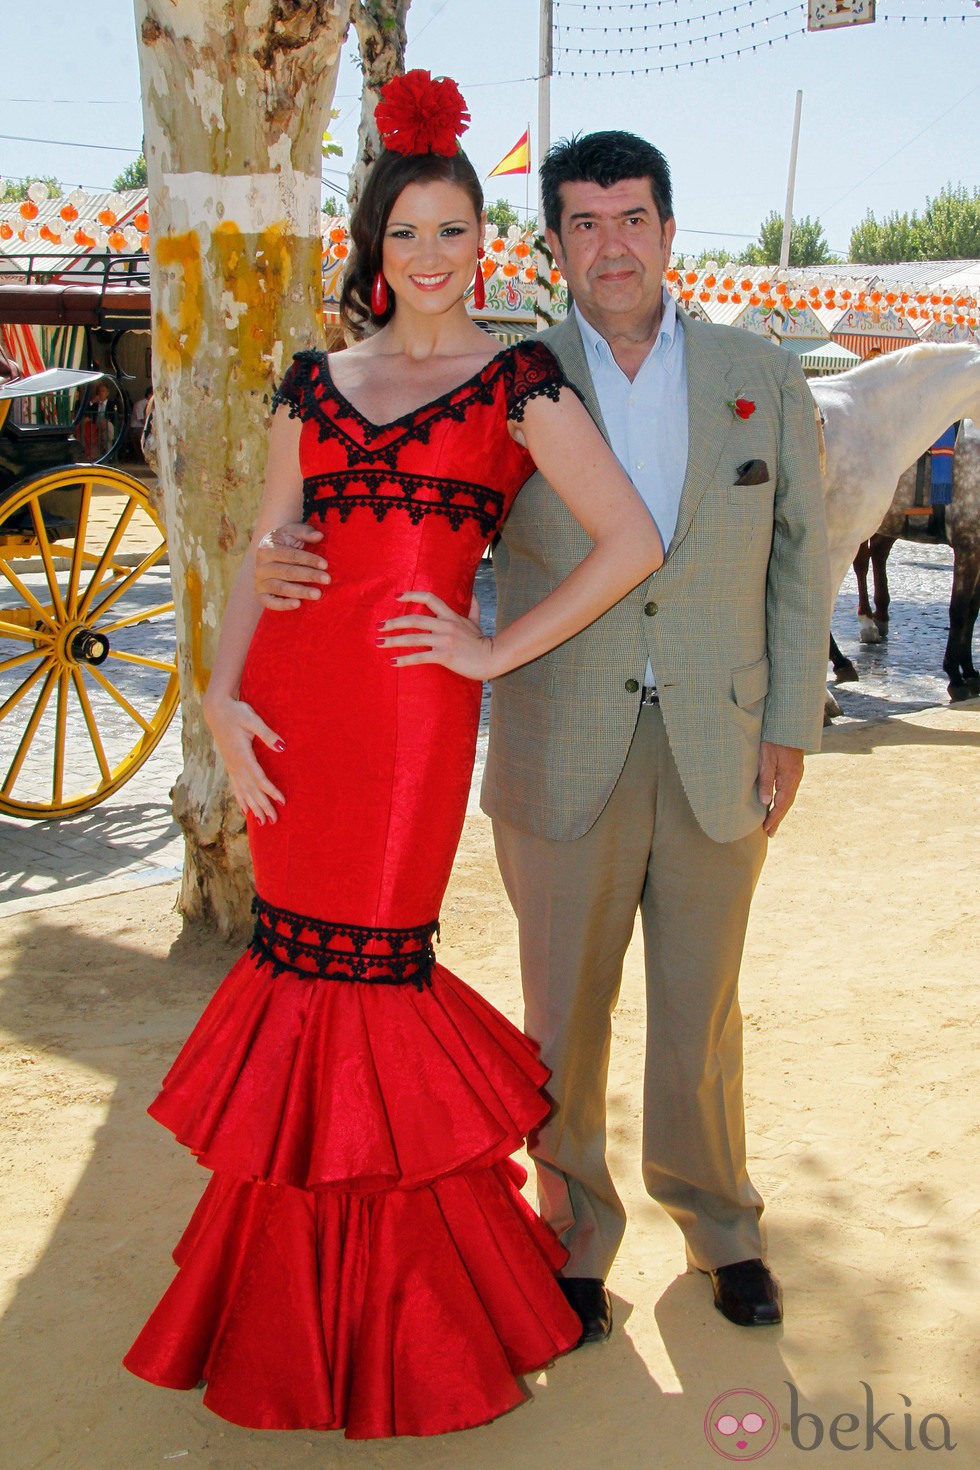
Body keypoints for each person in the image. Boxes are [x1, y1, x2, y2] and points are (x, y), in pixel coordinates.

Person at [123, 78, 663, 1439]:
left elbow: (632, 541)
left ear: (486, 243)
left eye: (455, 231)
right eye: (410, 232)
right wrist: (223, 696)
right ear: (376, 249)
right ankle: (287, 1319)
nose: (433, 255)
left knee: (371, 982)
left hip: (413, 729)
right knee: (297, 980)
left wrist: (490, 649)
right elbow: (264, 545)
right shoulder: (317, 378)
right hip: (296, 717)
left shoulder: (519, 375)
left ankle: (405, 1326)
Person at [254, 130, 831, 1342]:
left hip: (720, 746)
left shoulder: (757, 373)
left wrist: (788, 723)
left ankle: (719, 1223)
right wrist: (278, 556)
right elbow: (385, 520)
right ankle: (575, 1239)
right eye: (582, 222)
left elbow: (795, 566)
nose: (609, 243)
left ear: (669, 232)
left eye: (631, 217)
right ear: (553, 244)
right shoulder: (500, 376)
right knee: (556, 1014)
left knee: (699, 1003)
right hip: (559, 741)